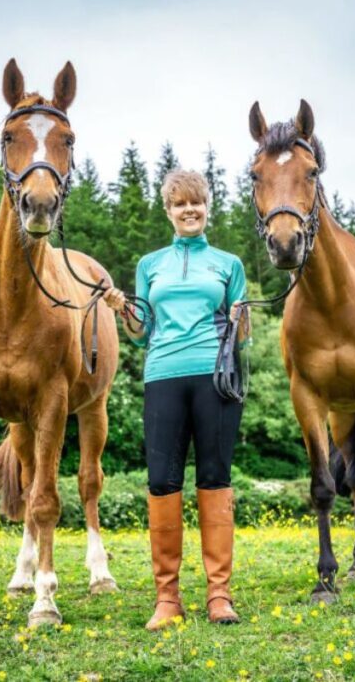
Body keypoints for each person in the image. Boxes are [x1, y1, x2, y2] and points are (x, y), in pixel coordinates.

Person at [104, 169, 250, 630]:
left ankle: (218, 595)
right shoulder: (151, 265)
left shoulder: (229, 265)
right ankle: (167, 599)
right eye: (180, 204)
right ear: (167, 211)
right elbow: (140, 329)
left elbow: (241, 338)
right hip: (163, 376)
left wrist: (239, 318)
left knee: (215, 477)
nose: (190, 210)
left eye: (197, 203)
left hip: (215, 377)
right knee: (162, 482)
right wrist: (122, 307)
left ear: (208, 207)